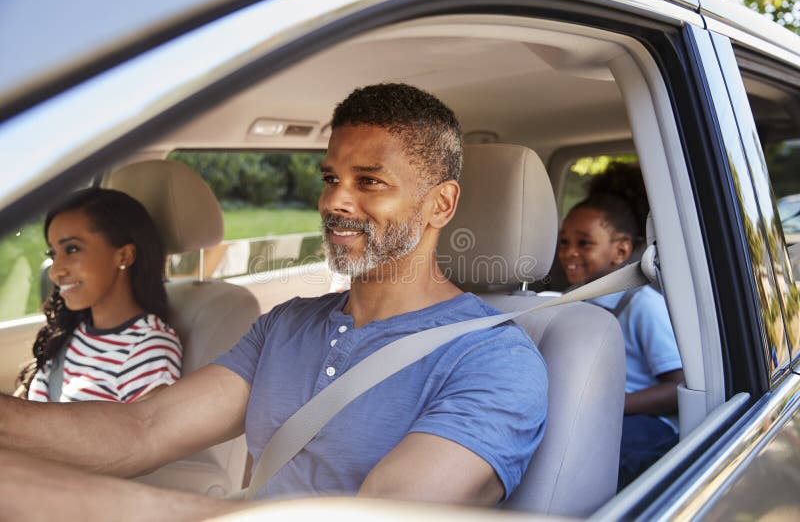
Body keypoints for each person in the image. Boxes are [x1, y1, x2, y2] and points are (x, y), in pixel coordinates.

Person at [0, 83, 547, 520]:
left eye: (369, 181)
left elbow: (382, 514)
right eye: (330, 177)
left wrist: (82, 503)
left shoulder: (494, 360)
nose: (334, 199)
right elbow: (142, 429)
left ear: (440, 205)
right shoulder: (286, 324)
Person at [556, 163, 683, 490]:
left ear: (622, 250)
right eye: (564, 241)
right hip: (588, 415)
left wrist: (613, 406)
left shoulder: (640, 305)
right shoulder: (567, 301)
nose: (569, 253)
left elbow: (677, 386)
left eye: (584, 243)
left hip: (644, 423)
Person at [15, 188, 181, 403]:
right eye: (53, 254)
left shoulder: (148, 349)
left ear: (124, 255)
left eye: (72, 250)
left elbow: (144, 434)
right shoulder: (72, 331)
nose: (55, 272)